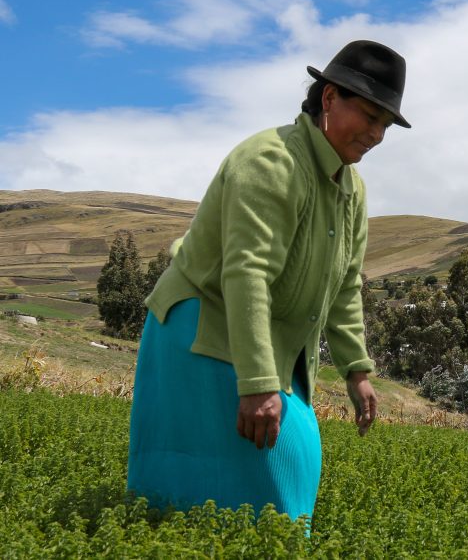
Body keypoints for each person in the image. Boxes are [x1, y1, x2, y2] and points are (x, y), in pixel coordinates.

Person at [127, 40, 410, 522]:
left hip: (267, 342)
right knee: (222, 492)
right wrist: (257, 384)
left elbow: (344, 287)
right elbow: (247, 272)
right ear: (328, 98)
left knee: (290, 474)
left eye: (385, 124)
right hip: (203, 331)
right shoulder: (271, 161)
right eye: (369, 115)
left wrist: (357, 371)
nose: (376, 134)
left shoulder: (351, 189)